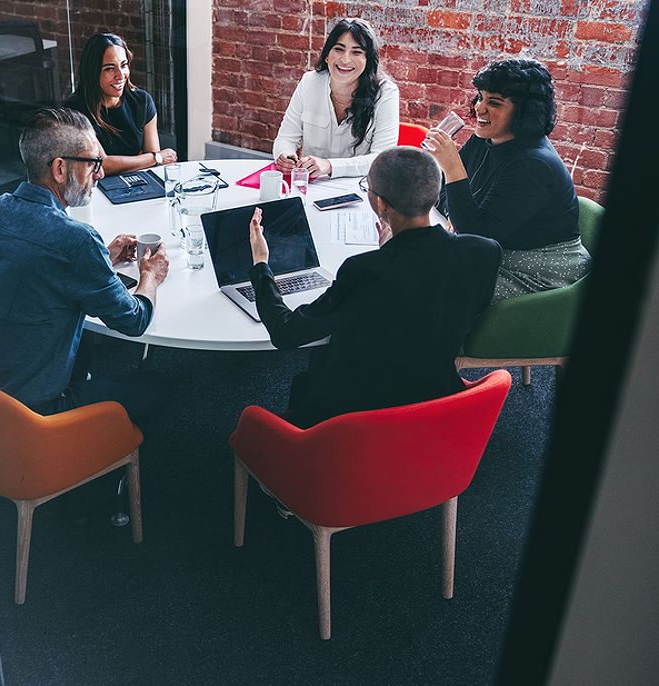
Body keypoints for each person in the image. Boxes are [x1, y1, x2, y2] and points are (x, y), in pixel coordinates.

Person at [246, 147, 501, 428]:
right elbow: (432, 294)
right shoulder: (484, 252)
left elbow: (285, 332)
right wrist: (391, 250)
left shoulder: (365, 270)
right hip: (436, 402)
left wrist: (261, 265)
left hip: (355, 419)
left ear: (381, 204)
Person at [0, 108, 170, 419]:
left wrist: (104, 258)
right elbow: (134, 321)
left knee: (85, 347)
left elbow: (34, 267)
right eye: (93, 163)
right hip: (32, 412)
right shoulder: (76, 240)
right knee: (159, 387)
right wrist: (150, 276)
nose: (100, 173)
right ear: (59, 169)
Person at [425, 58, 586, 303]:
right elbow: (444, 194)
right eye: (480, 97)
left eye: (494, 102)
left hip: (540, 271)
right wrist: (455, 211)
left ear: (524, 111)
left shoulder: (535, 164)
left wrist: (452, 167)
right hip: (497, 249)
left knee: (435, 283)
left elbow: (475, 235)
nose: (479, 108)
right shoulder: (485, 138)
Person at [272, 18, 399, 180]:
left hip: (359, 190)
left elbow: (382, 159)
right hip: (311, 185)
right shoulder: (309, 82)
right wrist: (285, 156)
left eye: (356, 52)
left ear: (368, 61)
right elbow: (286, 138)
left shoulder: (385, 93)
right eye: (339, 49)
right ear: (327, 55)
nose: (345, 60)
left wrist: (329, 166)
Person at [64, 33, 177, 175]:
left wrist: (150, 158)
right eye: (110, 68)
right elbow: (102, 165)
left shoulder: (142, 101)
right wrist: (155, 157)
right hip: (95, 187)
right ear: (93, 72)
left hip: (137, 181)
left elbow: (153, 166)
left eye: (123, 65)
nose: (120, 75)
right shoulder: (75, 110)